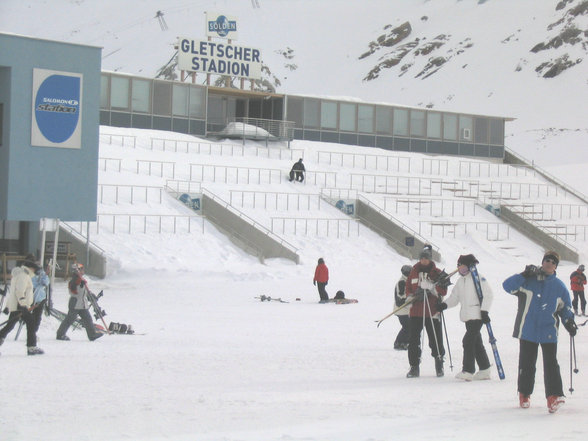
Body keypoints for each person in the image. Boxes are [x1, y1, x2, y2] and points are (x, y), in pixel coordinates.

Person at [502, 251, 577, 413]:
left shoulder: (559, 286)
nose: (549, 263)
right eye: (547, 260)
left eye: (553, 262)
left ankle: (554, 396)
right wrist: (523, 274)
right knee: (527, 364)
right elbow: (507, 286)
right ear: (542, 262)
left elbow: (566, 308)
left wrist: (569, 321)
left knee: (551, 364)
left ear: (556, 267)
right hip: (527, 329)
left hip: (548, 330)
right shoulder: (528, 281)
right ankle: (524, 393)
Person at [438, 254, 492, 381]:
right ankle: (484, 369)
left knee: (467, 341)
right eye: (458, 266)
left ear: (469, 267)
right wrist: (444, 305)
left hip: (477, 316)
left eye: (462, 266)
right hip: (467, 316)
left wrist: (484, 311)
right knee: (476, 343)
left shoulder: (479, 279)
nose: (459, 269)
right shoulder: (460, 281)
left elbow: (488, 295)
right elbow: (455, 298)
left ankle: (468, 370)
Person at [405, 245, 451, 378]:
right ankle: (414, 366)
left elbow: (443, 291)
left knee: (435, 339)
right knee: (413, 340)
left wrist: (432, 288)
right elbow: (408, 287)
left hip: (432, 311)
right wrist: (410, 296)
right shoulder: (413, 271)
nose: (424, 261)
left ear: (430, 259)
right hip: (416, 312)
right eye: (422, 258)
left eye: (426, 258)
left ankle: (439, 363)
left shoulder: (437, 272)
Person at [0, 256, 44, 355]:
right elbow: (19, 291)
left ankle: (31, 347)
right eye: (35, 269)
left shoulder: (21, 275)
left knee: (9, 326)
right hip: (21, 306)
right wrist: (24, 305)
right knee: (31, 323)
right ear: (30, 268)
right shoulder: (23, 276)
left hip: (18, 305)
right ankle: (31, 347)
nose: (36, 271)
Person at [56, 263, 103, 341]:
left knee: (88, 319)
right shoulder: (75, 280)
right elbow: (73, 291)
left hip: (82, 304)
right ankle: (60, 334)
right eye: (81, 269)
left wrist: (91, 295)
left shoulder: (82, 280)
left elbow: (85, 291)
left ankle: (92, 334)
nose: (83, 271)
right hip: (75, 303)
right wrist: (79, 284)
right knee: (70, 319)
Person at [393, 265, 412, 350]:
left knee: (408, 327)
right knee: (407, 327)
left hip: (405, 309)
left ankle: (403, 342)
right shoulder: (402, 282)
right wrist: (410, 298)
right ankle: (399, 343)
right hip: (401, 309)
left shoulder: (407, 281)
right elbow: (400, 297)